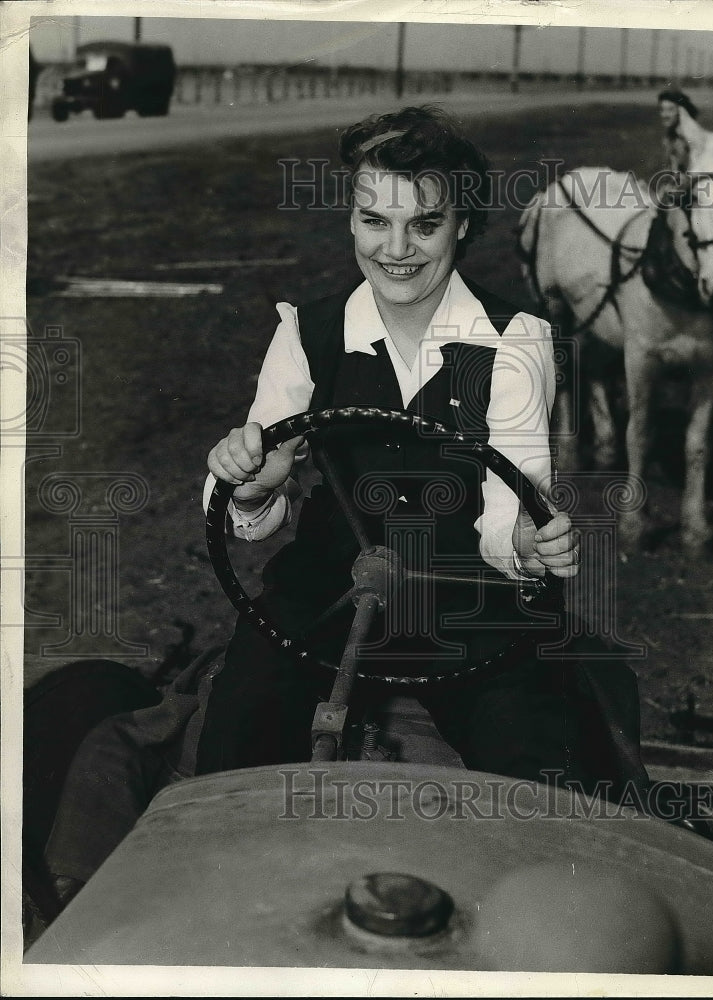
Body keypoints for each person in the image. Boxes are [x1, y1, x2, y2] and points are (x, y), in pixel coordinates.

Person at [41, 107, 648, 907]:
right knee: (242, 716)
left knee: (529, 743)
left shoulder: (515, 340)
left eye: (424, 224)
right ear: (351, 218)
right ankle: (213, 904)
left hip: (467, 597)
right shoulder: (308, 333)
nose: (395, 249)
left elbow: (512, 502)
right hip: (329, 584)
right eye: (375, 220)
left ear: (463, 224)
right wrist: (252, 482)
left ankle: (520, 921)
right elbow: (253, 503)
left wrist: (530, 548)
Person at [657, 88, 699, 173]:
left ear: (682, 112)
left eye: (670, 110)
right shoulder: (670, 136)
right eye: (662, 109)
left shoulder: (688, 137)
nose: (665, 115)